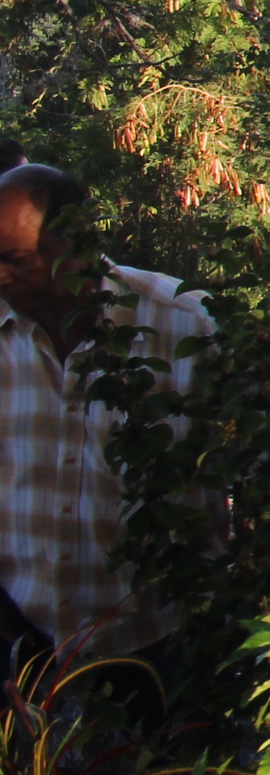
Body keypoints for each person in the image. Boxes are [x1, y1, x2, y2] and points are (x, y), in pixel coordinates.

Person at [0, 161, 214, 688]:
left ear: (77, 244)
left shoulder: (185, 323)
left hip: (162, 644)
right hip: (20, 644)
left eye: (14, 260)